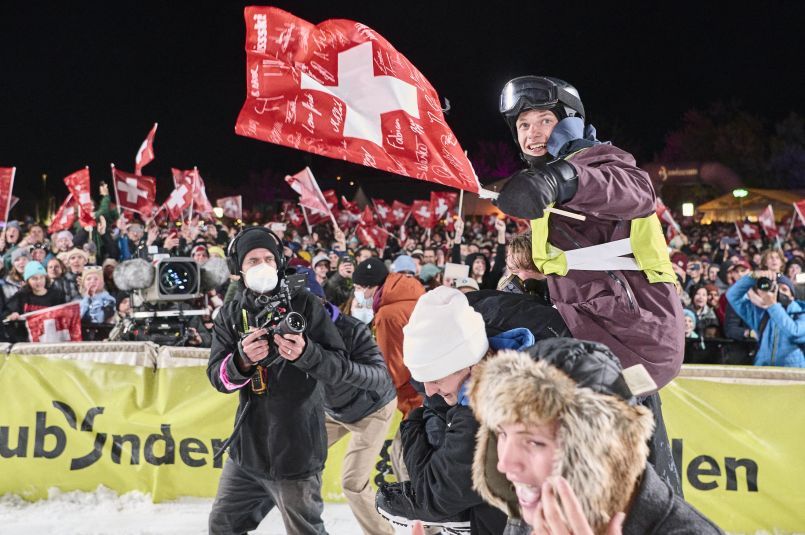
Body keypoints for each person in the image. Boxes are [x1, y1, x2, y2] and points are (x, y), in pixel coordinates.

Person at [493, 75, 684, 493]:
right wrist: (534, 286)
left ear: (569, 122)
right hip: (605, 335)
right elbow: (573, 271)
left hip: (634, 331)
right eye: (523, 126)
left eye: (544, 121)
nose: (532, 133)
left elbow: (637, 192)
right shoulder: (550, 199)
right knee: (621, 464)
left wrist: (562, 180)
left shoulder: (600, 161)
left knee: (487, 313)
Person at [469, 338, 723, 534]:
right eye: (502, 434)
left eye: (534, 442)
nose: (505, 464)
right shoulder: (540, 507)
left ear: (606, 451)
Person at [206, 227, 347, 535]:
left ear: (280, 264)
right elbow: (217, 376)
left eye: (269, 258)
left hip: (297, 452)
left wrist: (307, 353)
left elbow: (339, 367)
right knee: (221, 526)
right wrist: (241, 361)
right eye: (253, 260)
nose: (262, 266)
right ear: (238, 269)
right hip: (247, 453)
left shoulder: (307, 305)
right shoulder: (230, 314)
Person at [376, 287, 530, 534]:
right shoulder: (484, 371)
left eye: (435, 378)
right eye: (423, 379)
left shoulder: (482, 412)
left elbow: (433, 496)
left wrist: (412, 425)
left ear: (466, 364)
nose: (430, 390)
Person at [352, 257, 425, 481]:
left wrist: (373, 388)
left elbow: (393, 366)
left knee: (402, 458)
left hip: (415, 396)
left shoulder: (387, 314)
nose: (356, 294)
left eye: (356, 288)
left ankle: (415, 511)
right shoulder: (412, 292)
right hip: (431, 388)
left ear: (368, 286)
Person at [726, 269, 805, 367]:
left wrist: (773, 305)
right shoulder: (762, 314)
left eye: (784, 289)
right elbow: (732, 296)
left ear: (793, 296)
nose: (779, 292)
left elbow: (794, 333)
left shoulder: (801, 313)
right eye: (776, 288)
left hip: (793, 374)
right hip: (763, 371)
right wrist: (752, 277)